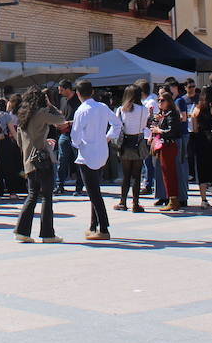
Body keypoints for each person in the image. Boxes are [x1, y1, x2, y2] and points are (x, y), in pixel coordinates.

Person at [13, 85, 68, 243]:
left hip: (29, 162)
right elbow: (61, 119)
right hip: (43, 160)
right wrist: (51, 106)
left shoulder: (22, 116)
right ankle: (47, 234)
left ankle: (22, 231)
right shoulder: (42, 113)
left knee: (32, 195)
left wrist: (42, 142)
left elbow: (19, 141)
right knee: (46, 197)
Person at [70, 81, 117, 240]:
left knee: (94, 193)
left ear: (78, 93)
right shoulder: (102, 107)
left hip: (87, 154)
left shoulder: (81, 111)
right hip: (102, 152)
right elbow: (116, 124)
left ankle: (103, 228)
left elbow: (75, 136)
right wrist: (107, 138)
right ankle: (93, 225)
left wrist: (77, 144)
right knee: (94, 190)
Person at [113, 86, 150, 213]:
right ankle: (135, 203)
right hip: (138, 142)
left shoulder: (121, 110)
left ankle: (123, 201)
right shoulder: (143, 110)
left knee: (126, 175)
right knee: (137, 175)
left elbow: (117, 126)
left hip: (125, 143)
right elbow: (144, 126)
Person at [151, 91, 185, 213]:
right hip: (164, 146)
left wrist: (158, 130)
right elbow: (151, 124)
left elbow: (172, 131)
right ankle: (171, 199)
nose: (159, 102)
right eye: (158, 100)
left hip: (169, 146)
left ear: (169, 102)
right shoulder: (165, 114)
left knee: (169, 173)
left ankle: (173, 200)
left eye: (162, 100)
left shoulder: (172, 114)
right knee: (166, 173)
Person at [189, 92, 212, 209]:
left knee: (201, 169)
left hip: (200, 140)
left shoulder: (196, 109)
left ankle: (203, 199)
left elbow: (194, 128)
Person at [54, 80, 82, 195]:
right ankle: (60, 185)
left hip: (76, 134)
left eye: (61, 90)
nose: (60, 93)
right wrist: (58, 122)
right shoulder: (63, 100)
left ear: (67, 89)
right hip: (64, 134)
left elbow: (81, 119)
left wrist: (68, 123)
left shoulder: (78, 100)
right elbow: (62, 114)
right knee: (62, 160)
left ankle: (79, 187)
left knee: (78, 161)